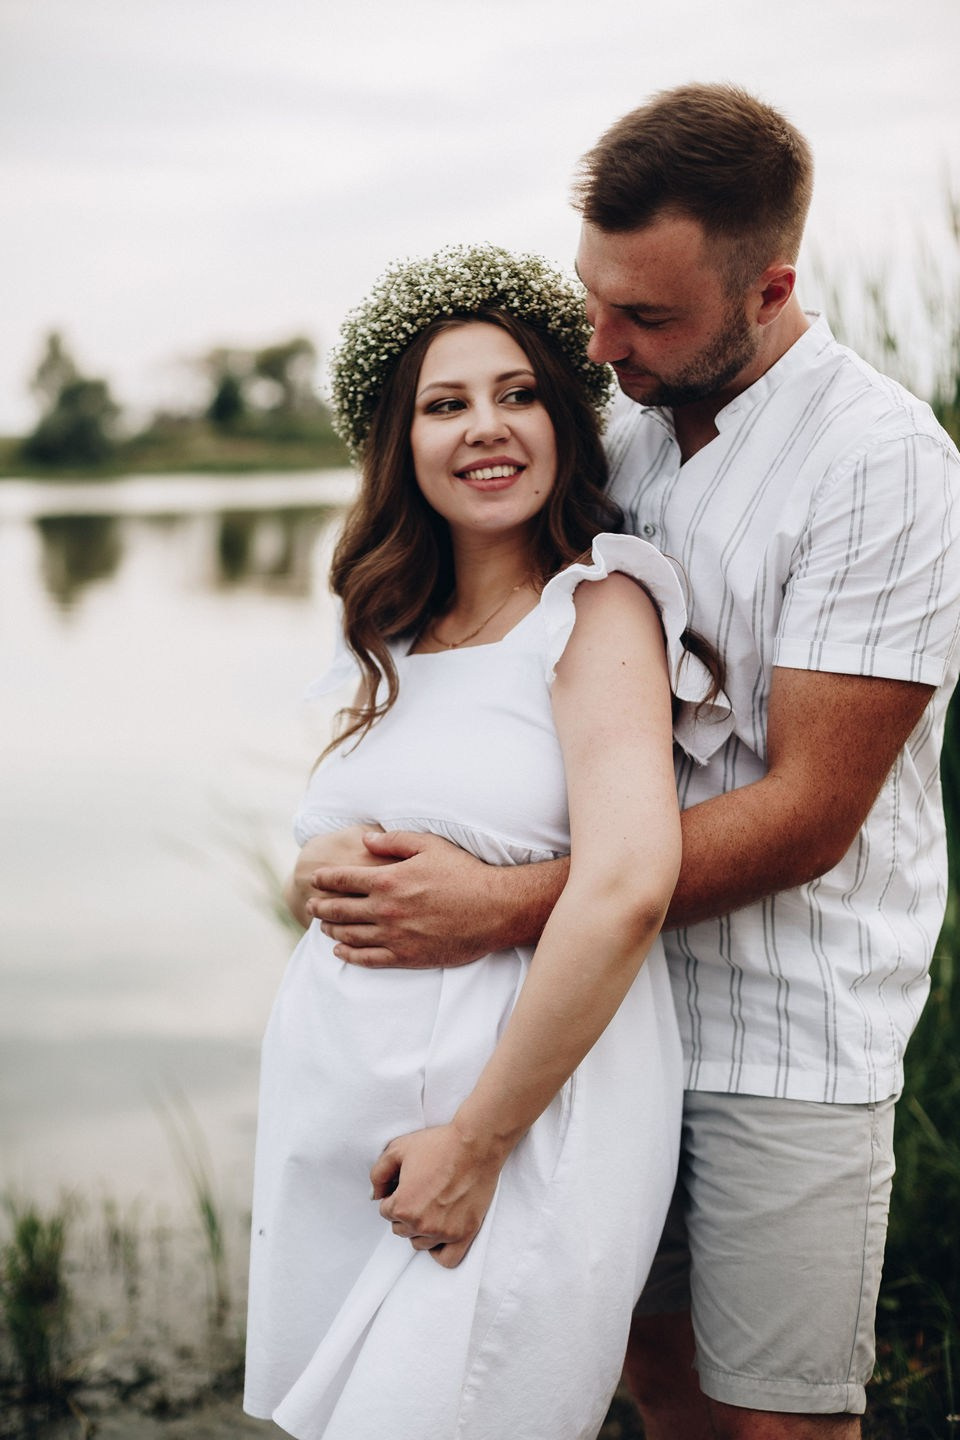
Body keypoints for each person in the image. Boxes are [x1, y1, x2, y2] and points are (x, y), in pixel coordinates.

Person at [298, 87, 960, 1439]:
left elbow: (806, 817)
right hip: (611, 1022)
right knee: (651, 1385)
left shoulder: (882, 467)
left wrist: (495, 909)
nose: (599, 344)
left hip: (791, 1029)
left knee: (777, 1421)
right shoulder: (637, 428)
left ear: (771, 288)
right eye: (596, 302)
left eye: (644, 316)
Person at [243, 244, 730, 1440]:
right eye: (445, 404)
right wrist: (321, 868)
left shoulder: (597, 604)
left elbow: (624, 887)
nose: (486, 428)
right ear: (398, 444)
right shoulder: (402, 625)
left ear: (565, 419)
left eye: (516, 394)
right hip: (354, 1146)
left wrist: (475, 1143)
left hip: (510, 1134)